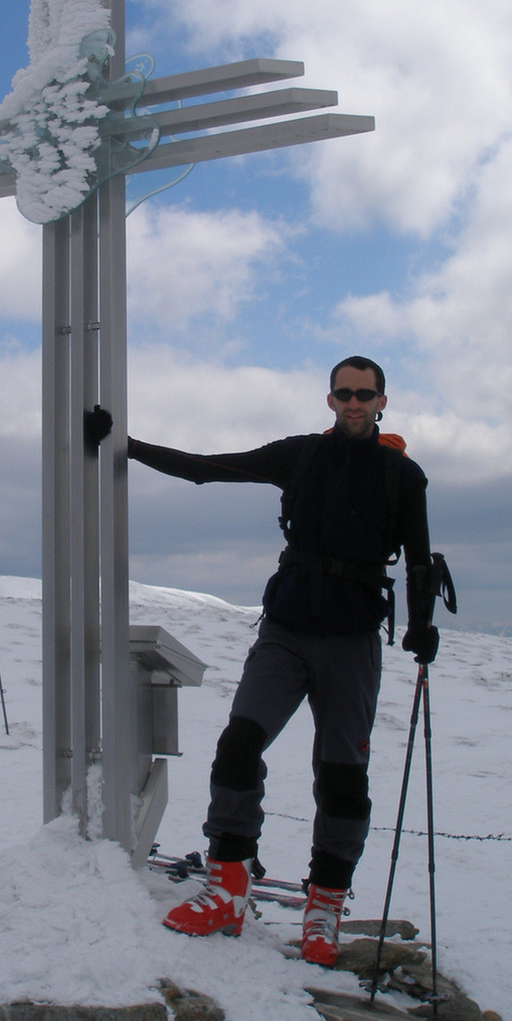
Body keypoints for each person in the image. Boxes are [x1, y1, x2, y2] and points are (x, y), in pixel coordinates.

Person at [125, 355, 441, 966]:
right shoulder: (299, 455)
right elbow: (208, 470)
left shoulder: (403, 476)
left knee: (342, 775)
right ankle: (228, 889)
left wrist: (424, 625)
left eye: (365, 394)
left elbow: (422, 559)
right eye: (344, 393)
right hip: (287, 630)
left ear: (382, 402)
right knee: (239, 747)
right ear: (329, 400)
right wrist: (128, 444)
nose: (354, 403)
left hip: (352, 638)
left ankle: (323, 910)